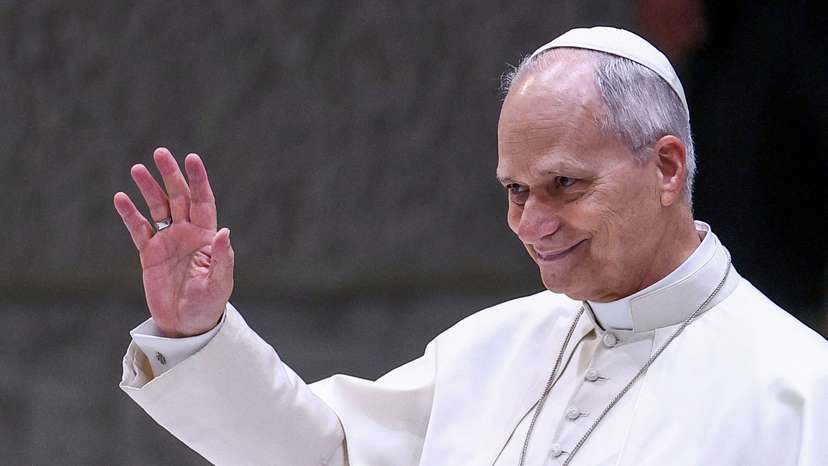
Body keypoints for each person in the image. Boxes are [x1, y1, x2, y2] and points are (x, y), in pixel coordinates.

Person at [114, 27, 828, 465]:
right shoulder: (490, 347)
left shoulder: (801, 390)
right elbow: (331, 456)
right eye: (515, 191)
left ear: (667, 168)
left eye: (564, 185)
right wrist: (197, 330)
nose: (530, 222)